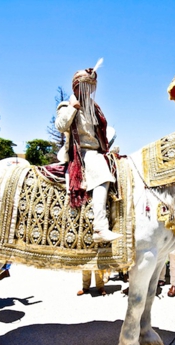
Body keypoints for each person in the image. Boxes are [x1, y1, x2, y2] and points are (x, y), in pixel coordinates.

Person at [55, 60, 121, 243]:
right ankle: (100, 227)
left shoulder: (95, 108)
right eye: (85, 87)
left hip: (98, 151)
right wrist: (72, 108)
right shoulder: (66, 105)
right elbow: (61, 126)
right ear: (77, 88)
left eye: (90, 88)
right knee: (103, 174)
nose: (88, 92)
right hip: (82, 153)